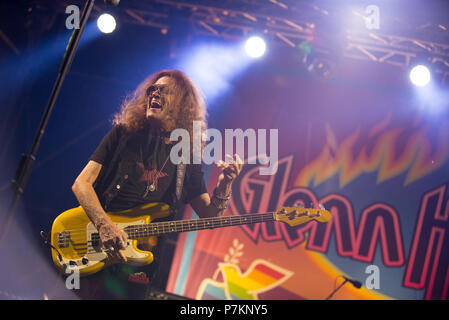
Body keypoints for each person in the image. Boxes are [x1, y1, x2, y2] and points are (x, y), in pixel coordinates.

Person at [71, 69, 242, 299]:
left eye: (164, 91)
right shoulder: (123, 134)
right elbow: (82, 183)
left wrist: (225, 185)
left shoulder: (187, 158)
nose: (155, 94)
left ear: (182, 104)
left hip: (140, 261)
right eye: (153, 89)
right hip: (96, 244)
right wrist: (103, 224)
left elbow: (210, 218)